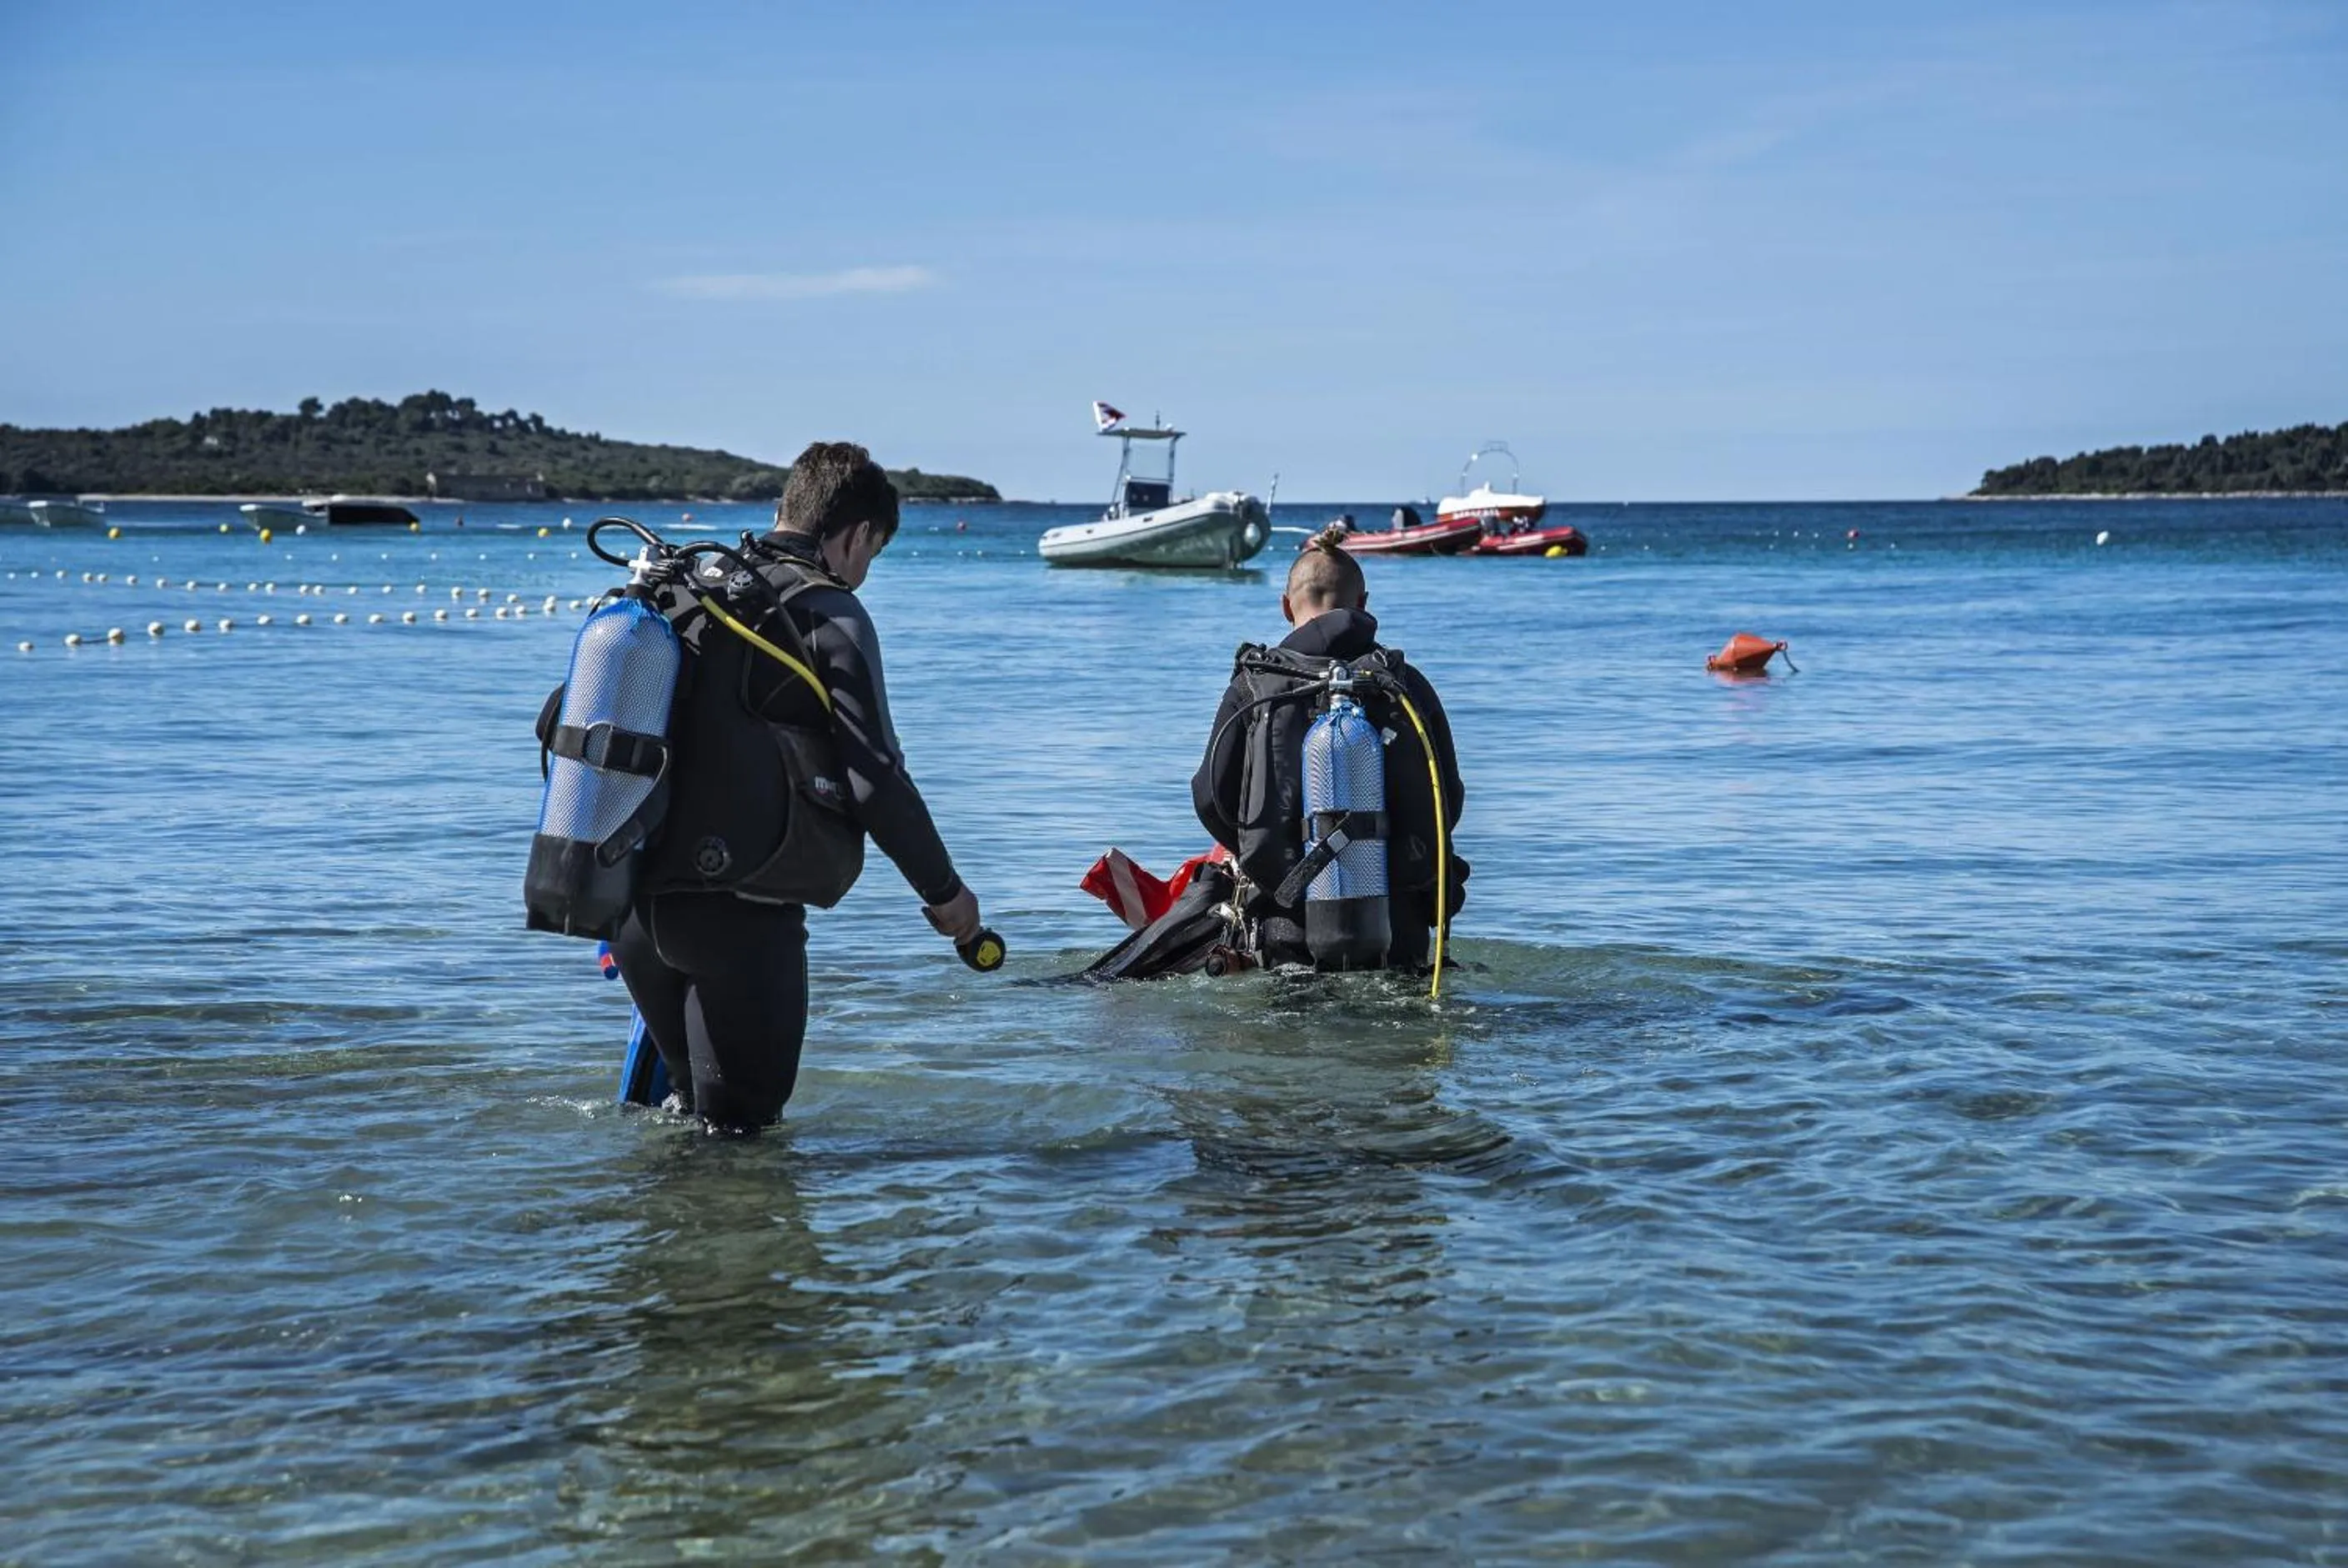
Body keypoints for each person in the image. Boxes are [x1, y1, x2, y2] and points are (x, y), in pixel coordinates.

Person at [609, 441, 983, 1132]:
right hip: (738, 918)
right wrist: (947, 894)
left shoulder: (691, 590)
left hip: (635, 910)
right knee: (742, 1143)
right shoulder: (827, 615)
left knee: (691, 1121)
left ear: (787, 508)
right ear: (856, 535)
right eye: (873, 555)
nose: (864, 575)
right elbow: (876, 781)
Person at [1190, 524, 1467, 971]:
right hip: (1397, 926)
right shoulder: (1404, 684)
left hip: (1288, 921)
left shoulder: (1256, 687)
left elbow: (1211, 797)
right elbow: (1446, 797)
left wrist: (1271, 861)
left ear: (1286, 607)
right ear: (1363, 603)